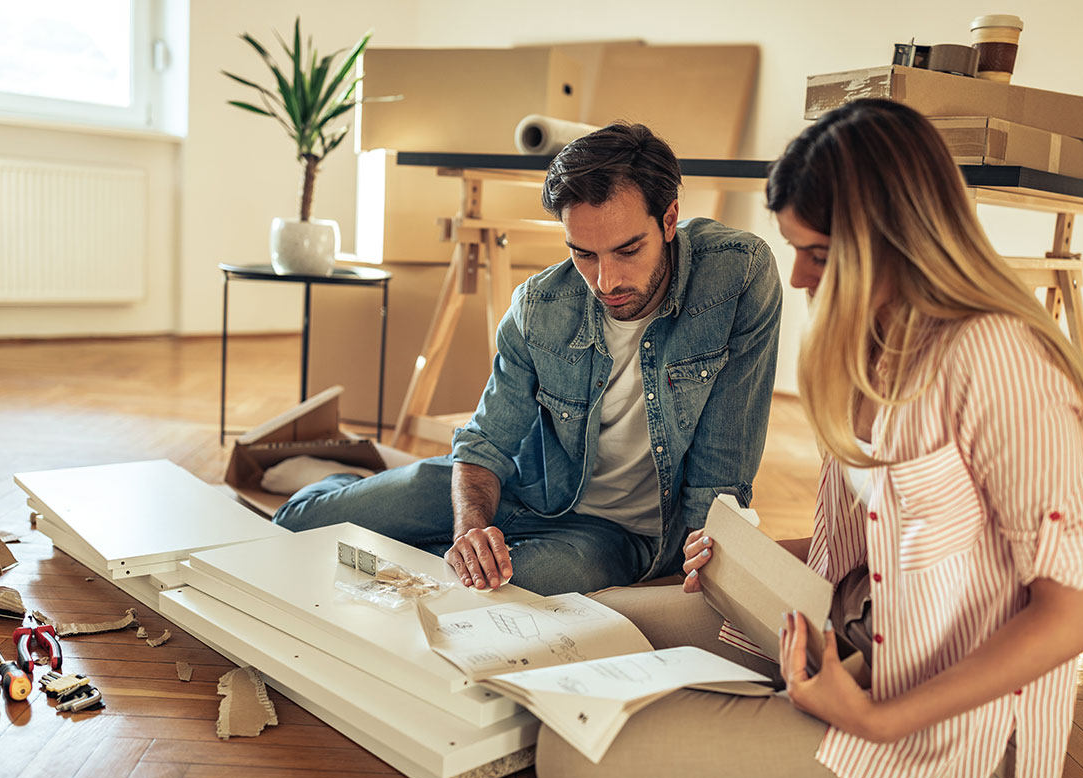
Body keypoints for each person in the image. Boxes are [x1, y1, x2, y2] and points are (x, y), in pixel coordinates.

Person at [535, 99, 1083, 778]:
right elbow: (891, 542)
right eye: (795, 249)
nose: (802, 278)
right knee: (574, 625)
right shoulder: (870, 340)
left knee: (572, 757)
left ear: (898, 238)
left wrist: (875, 719)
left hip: (927, 731)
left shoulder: (997, 359)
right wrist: (741, 560)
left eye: (819, 253)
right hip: (834, 631)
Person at [272, 123, 783, 596]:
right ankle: (346, 478)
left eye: (627, 250)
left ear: (669, 218)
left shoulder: (736, 277)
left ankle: (413, 529)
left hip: (616, 536)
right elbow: (487, 442)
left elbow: (722, 472)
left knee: (479, 590)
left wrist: (701, 565)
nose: (606, 282)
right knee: (296, 528)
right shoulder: (541, 306)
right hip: (516, 489)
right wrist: (471, 529)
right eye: (584, 253)